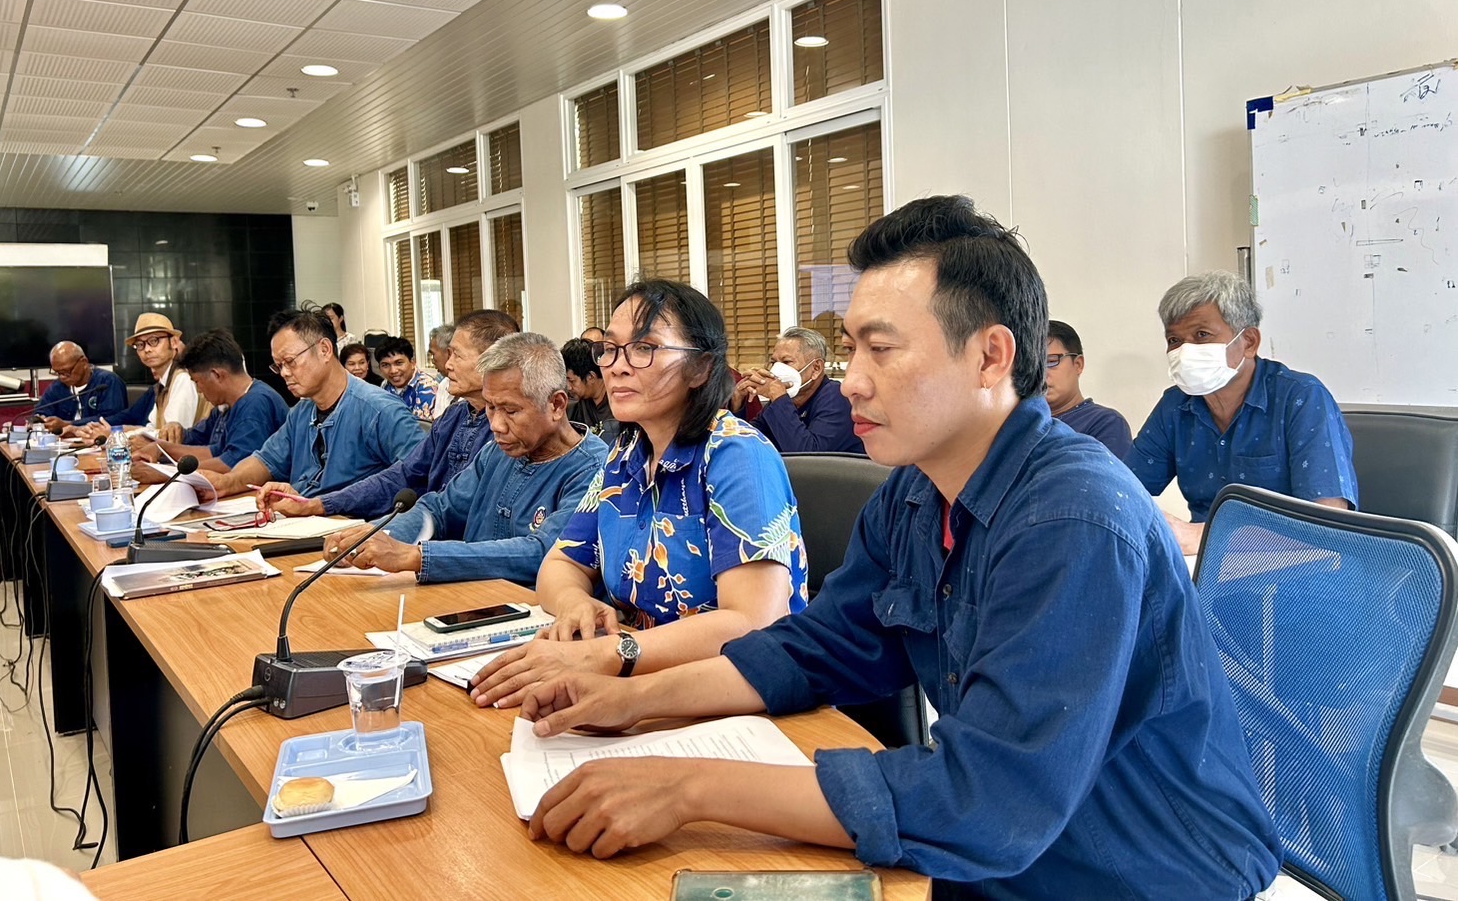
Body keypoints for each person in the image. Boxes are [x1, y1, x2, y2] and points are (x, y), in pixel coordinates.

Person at [507, 197, 1279, 899]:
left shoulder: (1071, 517)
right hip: (1002, 855)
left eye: (882, 350)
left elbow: (989, 800)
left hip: (1139, 867)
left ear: (991, 356)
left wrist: (686, 789)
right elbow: (814, 651)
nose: (851, 383)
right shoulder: (914, 493)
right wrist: (627, 702)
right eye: (850, 351)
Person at [470, 279, 808, 708]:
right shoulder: (627, 454)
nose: (617, 367)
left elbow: (751, 623)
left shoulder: (737, 454)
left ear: (701, 368)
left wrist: (612, 653)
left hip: (736, 697)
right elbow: (559, 564)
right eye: (610, 349)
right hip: (634, 686)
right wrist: (576, 605)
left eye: (644, 348)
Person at [323, 334, 608, 584]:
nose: (496, 424)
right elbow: (439, 510)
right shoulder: (499, 450)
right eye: (491, 408)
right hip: (472, 599)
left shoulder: (593, 468)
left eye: (510, 410)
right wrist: (375, 534)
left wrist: (417, 556)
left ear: (557, 405)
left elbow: (542, 552)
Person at [1125, 269, 1358, 555]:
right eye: (1174, 340)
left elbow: (1328, 523)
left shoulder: (1301, 398)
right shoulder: (1175, 406)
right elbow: (1123, 488)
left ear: (1248, 342)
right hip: (1209, 567)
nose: (1185, 351)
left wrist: (1202, 537)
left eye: (1201, 335)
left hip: (1302, 570)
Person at [262, 310, 518, 520]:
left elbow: (451, 507)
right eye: (447, 354)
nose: (447, 365)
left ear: (493, 360)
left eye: (456, 355)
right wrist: (318, 504)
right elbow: (404, 475)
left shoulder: (512, 430)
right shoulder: (455, 416)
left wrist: (388, 533)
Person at [197, 308, 424, 499]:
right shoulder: (301, 412)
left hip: (357, 533)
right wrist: (227, 482)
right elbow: (266, 459)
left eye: (290, 362)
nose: (284, 373)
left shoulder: (381, 410)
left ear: (325, 349)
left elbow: (419, 478)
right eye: (278, 366)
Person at [130, 329, 288, 478]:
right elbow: (212, 451)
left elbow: (232, 465)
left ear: (216, 375)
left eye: (197, 382)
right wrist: (161, 447)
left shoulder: (255, 405)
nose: (199, 391)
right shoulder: (225, 405)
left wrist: (164, 474)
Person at [70, 313, 206, 438]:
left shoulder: (182, 379)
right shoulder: (163, 384)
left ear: (174, 342)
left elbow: (171, 437)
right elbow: (151, 428)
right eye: (140, 345)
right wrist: (112, 432)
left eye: (154, 341)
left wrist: (114, 436)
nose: (147, 350)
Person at [734, 327, 864, 454]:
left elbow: (807, 457)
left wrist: (779, 398)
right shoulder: (786, 400)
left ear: (816, 368)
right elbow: (746, 441)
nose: (777, 369)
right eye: (774, 362)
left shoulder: (836, 397)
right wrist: (737, 400)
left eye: (787, 362)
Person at [1042, 319, 1132, 459]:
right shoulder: (1018, 423)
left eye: (1051, 361)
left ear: (1078, 364)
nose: (1041, 374)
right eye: (1032, 365)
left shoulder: (1104, 423)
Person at [35, 341, 126, 432]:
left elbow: (112, 419)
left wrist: (69, 424)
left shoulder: (107, 381)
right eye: (57, 372)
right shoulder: (57, 386)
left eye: (66, 371)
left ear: (84, 362)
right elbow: (42, 411)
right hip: (64, 442)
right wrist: (41, 420)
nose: (62, 377)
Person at [560, 337, 617, 443]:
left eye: (572, 381)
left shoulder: (619, 404)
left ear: (590, 377)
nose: (568, 387)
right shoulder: (574, 406)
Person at [376, 335, 439, 423]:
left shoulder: (428, 388)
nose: (393, 371)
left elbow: (421, 429)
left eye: (399, 363)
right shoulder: (385, 385)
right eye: (385, 365)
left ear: (412, 363)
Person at [428, 323, 455, 418]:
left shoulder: (471, 387)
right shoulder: (444, 384)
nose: (432, 360)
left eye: (433, 354)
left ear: (449, 353)